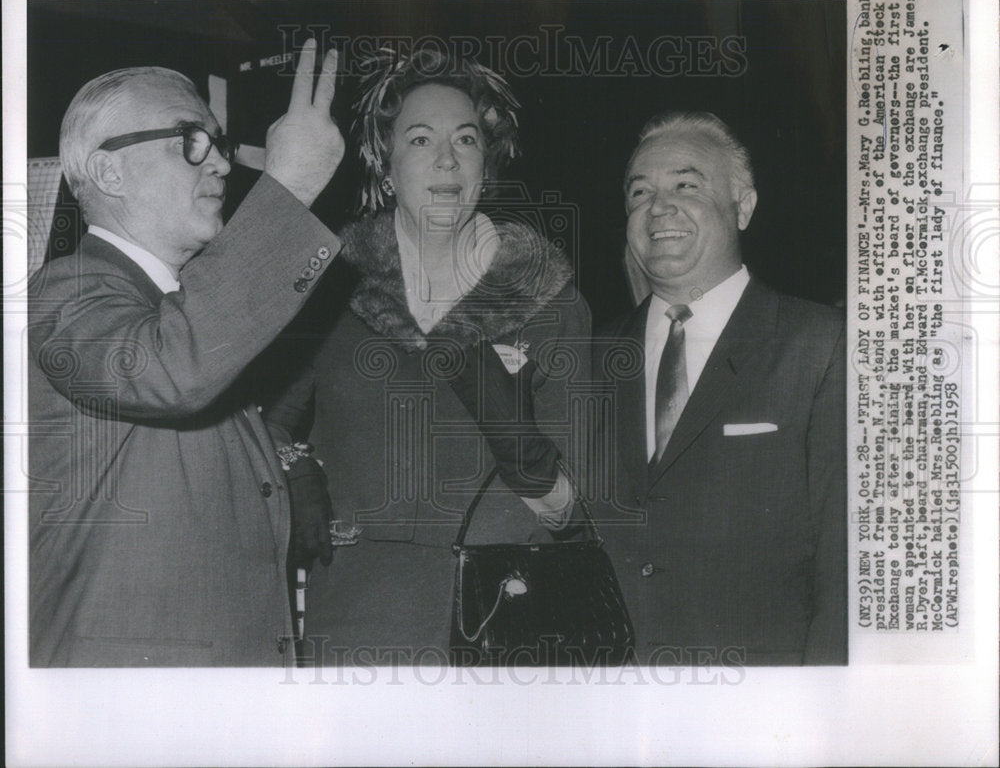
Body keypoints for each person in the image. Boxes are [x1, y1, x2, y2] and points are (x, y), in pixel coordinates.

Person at [264, 47, 592, 665]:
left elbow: (583, 515)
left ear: (486, 163)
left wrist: (532, 463)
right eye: (420, 139)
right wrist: (293, 467)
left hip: (505, 625)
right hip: (359, 620)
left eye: (466, 140)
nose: (446, 158)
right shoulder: (330, 285)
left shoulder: (551, 299)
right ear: (385, 165)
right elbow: (264, 419)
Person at [28, 40, 345, 667]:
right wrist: (290, 187)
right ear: (108, 172)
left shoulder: (187, 310)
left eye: (219, 142)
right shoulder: (63, 291)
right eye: (190, 140)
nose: (223, 164)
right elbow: (169, 370)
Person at [592, 110, 847, 666]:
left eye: (686, 184)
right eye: (639, 193)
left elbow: (848, 567)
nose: (658, 207)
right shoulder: (591, 354)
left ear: (744, 205)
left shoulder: (823, 345)